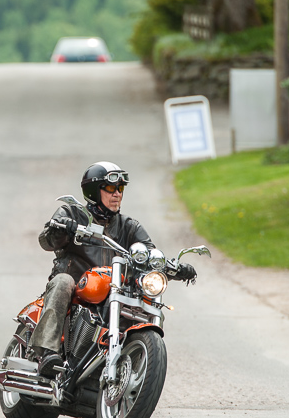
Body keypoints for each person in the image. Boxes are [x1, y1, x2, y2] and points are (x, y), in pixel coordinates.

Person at [32, 161, 195, 377]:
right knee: (63, 282)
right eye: (110, 188)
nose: (117, 194)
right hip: (77, 286)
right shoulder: (71, 212)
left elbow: (149, 252)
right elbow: (46, 241)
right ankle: (47, 353)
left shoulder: (129, 227)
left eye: (120, 188)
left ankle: (132, 364)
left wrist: (173, 267)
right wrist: (61, 228)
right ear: (93, 191)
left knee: (144, 301)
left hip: (113, 290)